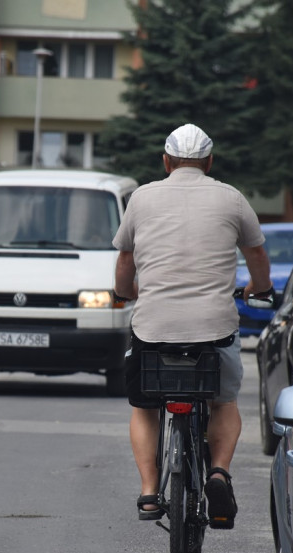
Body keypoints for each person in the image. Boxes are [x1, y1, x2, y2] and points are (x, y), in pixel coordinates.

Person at [112, 123, 272, 528]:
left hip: (153, 328)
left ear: (165, 162)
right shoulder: (232, 199)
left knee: (144, 406)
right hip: (214, 329)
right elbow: (255, 252)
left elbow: (126, 261)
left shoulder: (142, 198)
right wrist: (260, 287)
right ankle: (218, 471)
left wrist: (123, 292)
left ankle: (150, 492)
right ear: (209, 162)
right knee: (224, 400)